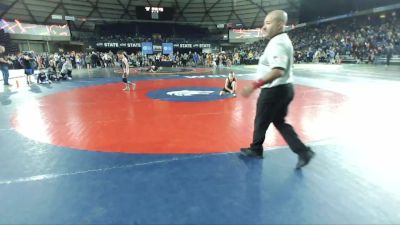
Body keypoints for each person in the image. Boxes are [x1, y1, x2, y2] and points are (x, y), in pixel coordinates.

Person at [240, 10, 315, 169]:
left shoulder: (278, 43)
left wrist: (253, 85)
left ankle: (256, 150)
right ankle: (303, 151)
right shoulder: (281, 40)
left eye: (268, 23)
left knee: (261, 120)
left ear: (280, 24)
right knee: (279, 122)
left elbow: (278, 70)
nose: (264, 27)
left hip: (274, 90)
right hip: (284, 88)